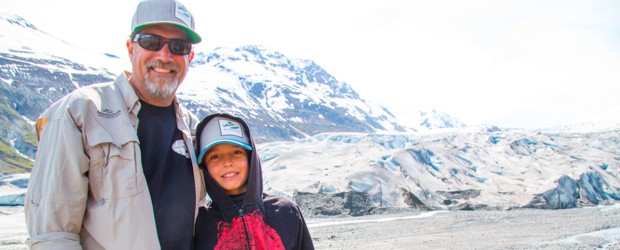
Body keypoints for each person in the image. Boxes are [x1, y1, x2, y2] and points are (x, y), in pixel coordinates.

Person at [24, 0, 205, 249]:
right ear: (131, 49)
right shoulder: (80, 113)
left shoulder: (195, 130)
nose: (165, 56)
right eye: (151, 42)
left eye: (178, 46)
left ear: (190, 57)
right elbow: (53, 235)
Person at [193, 113, 315, 250]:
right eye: (215, 156)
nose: (227, 162)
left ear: (251, 158)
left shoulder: (286, 212)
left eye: (236, 152)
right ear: (204, 166)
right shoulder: (199, 223)